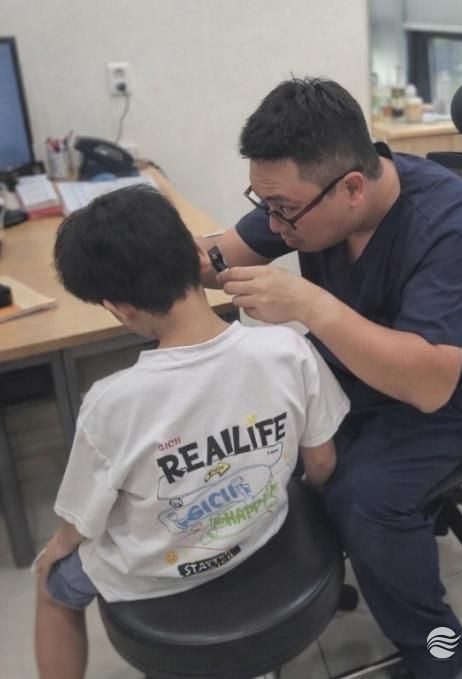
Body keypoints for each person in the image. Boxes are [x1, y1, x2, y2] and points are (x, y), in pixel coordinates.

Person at [199, 77, 462, 679]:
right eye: (264, 204)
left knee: (364, 499)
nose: (273, 223)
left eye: (282, 209)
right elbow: (220, 254)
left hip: (448, 395)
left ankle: (441, 658)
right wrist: (145, 259)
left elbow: (428, 386)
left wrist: (309, 304)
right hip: (352, 370)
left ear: (351, 188)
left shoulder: (448, 224)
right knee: (262, 444)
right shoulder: (305, 200)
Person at [34, 185, 349, 679]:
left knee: (52, 588)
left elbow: (81, 523)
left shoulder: (110, 404)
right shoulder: (287, 350)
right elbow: (323, 462)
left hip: (157, 576)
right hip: (262, 531)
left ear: (118, 308)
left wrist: (55, 549)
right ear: (198, 257)